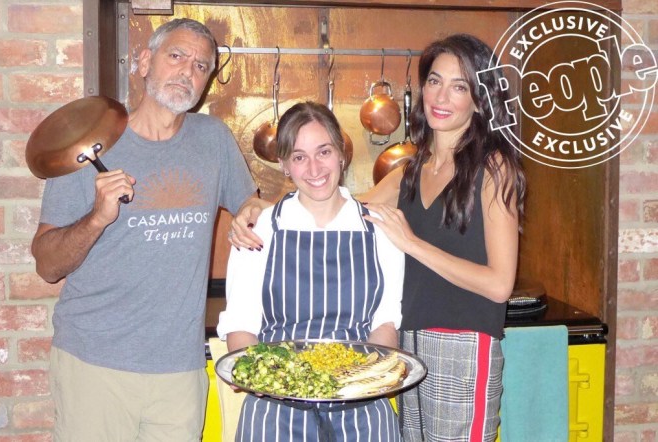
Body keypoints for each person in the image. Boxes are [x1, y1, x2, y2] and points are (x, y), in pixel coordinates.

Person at [229, 34, 526, 442]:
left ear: (479, 99)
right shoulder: (411, 171)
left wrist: (412, 243)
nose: (441, 96)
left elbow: (500, 284)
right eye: (434, 81)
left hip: (463, 344)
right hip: (409, 344)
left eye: (459, 86)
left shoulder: (493, 168)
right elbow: (336, 203)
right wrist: (259, 208)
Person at [31, 18, 258, 441]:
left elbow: (250, 205)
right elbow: (47, 265)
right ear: (144, 61)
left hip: (179, 370)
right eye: (177, 56)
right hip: (96, 364)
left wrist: (253, 211)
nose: (187, 71)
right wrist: (97, 217)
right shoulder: (88, 144)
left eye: (200, 66)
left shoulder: (213, 139)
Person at [217, 101, 405, 442]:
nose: (314, 168)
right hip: (276, 408)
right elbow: (241, 326)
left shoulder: (380, 229)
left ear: (342, 154)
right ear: (284, 164)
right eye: (299, 157)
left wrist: (364, 379)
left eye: (324, 152)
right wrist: (264, 377)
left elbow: (385, 323)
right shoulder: (258, 229)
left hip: (360, 403)